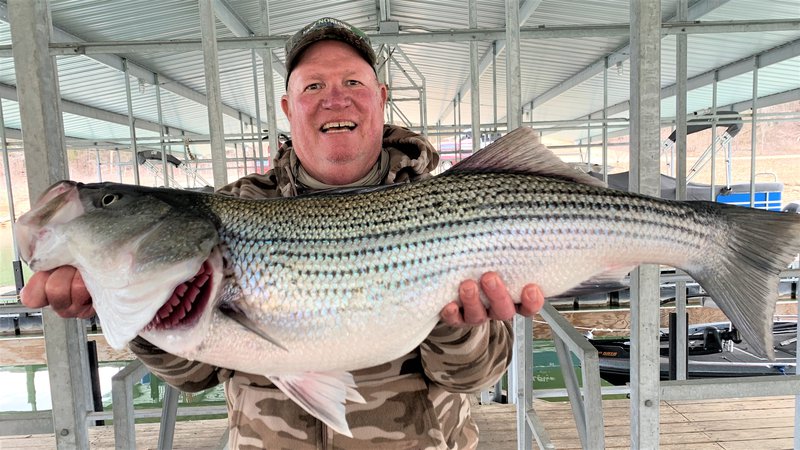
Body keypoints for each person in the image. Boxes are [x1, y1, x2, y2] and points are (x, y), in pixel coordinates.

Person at [21, 17, 544, 449]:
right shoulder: (237, 206)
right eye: (313, 86)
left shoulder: (454, 201)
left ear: (381, 98)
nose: (334, 99)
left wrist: (460, 324)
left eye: (352, 83)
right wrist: (131, 313)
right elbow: (195, 376)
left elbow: (472, 377)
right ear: (289, 109)